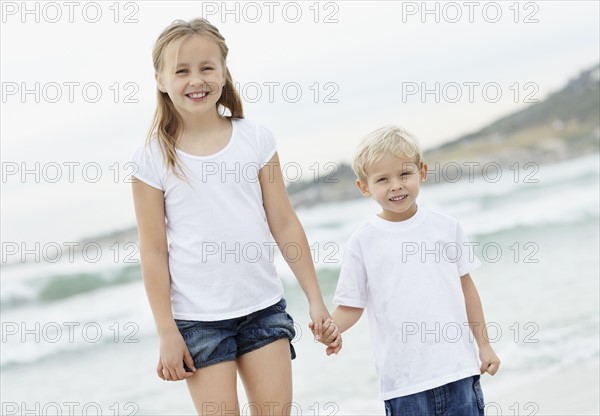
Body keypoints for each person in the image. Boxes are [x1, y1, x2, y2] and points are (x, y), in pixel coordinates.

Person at [131, 18, 331, 415]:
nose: (196, 80)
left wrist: (315, 299)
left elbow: (284, 222)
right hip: (198, 322)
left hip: (263, 308)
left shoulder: (255, 139)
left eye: (207, 67)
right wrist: (167, 332)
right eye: (182, 71)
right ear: (160, 79)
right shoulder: (151, 159)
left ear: (223, 71)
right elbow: (153, 251)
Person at [312, 126, 501, 415]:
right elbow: (351, 305)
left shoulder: (446, 227)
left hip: (458, 370)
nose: (396, 185)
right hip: (404, 384)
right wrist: (332, 328)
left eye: (404, 174)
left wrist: (484, 346)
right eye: (382, 179)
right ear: (365, 187)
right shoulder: (362, 243)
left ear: (421, 172)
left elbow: (467, 290)